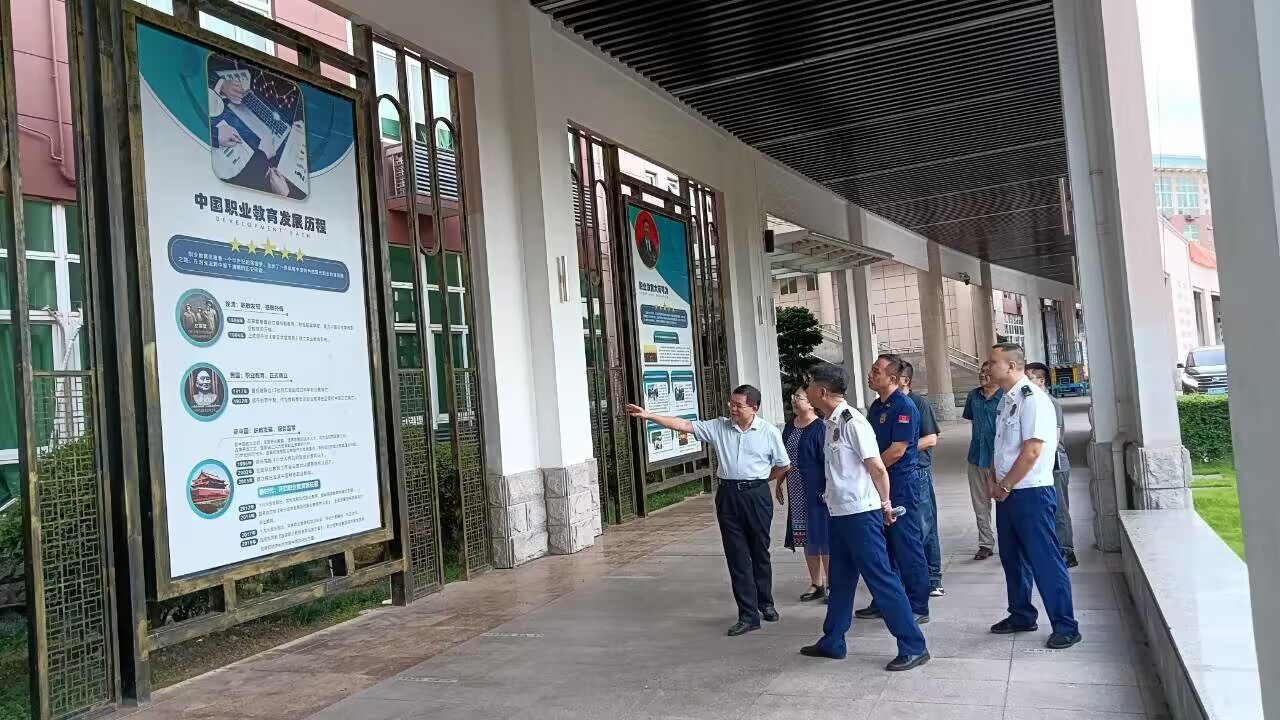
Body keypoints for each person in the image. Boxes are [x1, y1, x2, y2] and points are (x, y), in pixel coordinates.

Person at [626, 386, 789, 637]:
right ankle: (748, 615)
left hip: (756, 496)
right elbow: (684, 425)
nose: (732, 408)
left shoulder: (768, 432)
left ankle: (765, 603)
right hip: (728, 495)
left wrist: (760, 481)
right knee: (736, 555)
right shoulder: (719, 427)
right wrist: (650, 416)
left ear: (754, 408)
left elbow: (783, 464)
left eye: (739, 405)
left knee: (759, 551)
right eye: (731, 403)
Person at [800, 364, 930, 671]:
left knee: (881, 579)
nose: (805, 391)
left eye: (809, 385)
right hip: (840, 512)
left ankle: (914, 646)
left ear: (822, 391)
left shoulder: (852, 422)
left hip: (860, 515)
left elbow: (877, 468)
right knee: (841, 581)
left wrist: (885, 504)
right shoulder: (831, 421)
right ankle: (833, 640)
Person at [986, 344, 1082, 650]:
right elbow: (1001, 447)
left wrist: (1005, 485)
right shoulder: (1007, 400)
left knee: (1045, 559)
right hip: (1009, 492)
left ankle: (1065, 626)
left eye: (994, 362)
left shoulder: (1034, 400)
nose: (988, 367)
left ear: (1012, 366)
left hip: (1031, 492)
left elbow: (1032, 451)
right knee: (1012, 559)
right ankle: (1021, 614)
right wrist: (995, 480)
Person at [854, 354, 931, 624]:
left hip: (899, 485)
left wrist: (870, 470)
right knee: (883, 547)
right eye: (872, 369)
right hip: (879, 483)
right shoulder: (877, 406)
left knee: (906, 544)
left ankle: (919, 604)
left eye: (877, 371)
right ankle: (885, 600)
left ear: (894, 378)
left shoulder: (904, 406)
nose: (871, 374)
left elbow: (897, 451)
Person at [777, 389, 830, 602]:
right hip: (796, 487)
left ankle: (832, 584)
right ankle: (816, 583)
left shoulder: (820, 427)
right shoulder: (790, 426)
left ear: (811, 403)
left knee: (822, 536)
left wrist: (829, 489)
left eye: (798, 397)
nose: (794, 401)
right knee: (806, 536)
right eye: (793, 397)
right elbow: (784, 458)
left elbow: (827, 461)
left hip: (817, 487)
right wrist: (779, 482)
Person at [1025, 362, 1078, 568]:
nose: (1025, 382)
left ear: (1041, 380)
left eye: (1029, 378)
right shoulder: (1032, 403)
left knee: (1059, 509)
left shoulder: (1050, 403)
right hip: (1041, 464)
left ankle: (1067, 551)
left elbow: (1054, 438)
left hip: (1055, 463)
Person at [899, 361, 944, 596]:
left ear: (904, 380)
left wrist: (900, 448)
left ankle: (933, 578)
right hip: (895, 473)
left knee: (925, 526)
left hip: (917, 472)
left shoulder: (918, 403)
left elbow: (931, 439)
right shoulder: (882, 406)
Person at [963, 362, 1004, 560]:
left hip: (1000, 460)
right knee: (980, 504)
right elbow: (973, 421)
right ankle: (985, 543)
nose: (983, 375)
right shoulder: (973, 396)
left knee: (1004, 502)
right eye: (981, 371)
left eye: (988, 372)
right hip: (976, 457)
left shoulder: (1005, 396)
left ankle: (1009, 542)